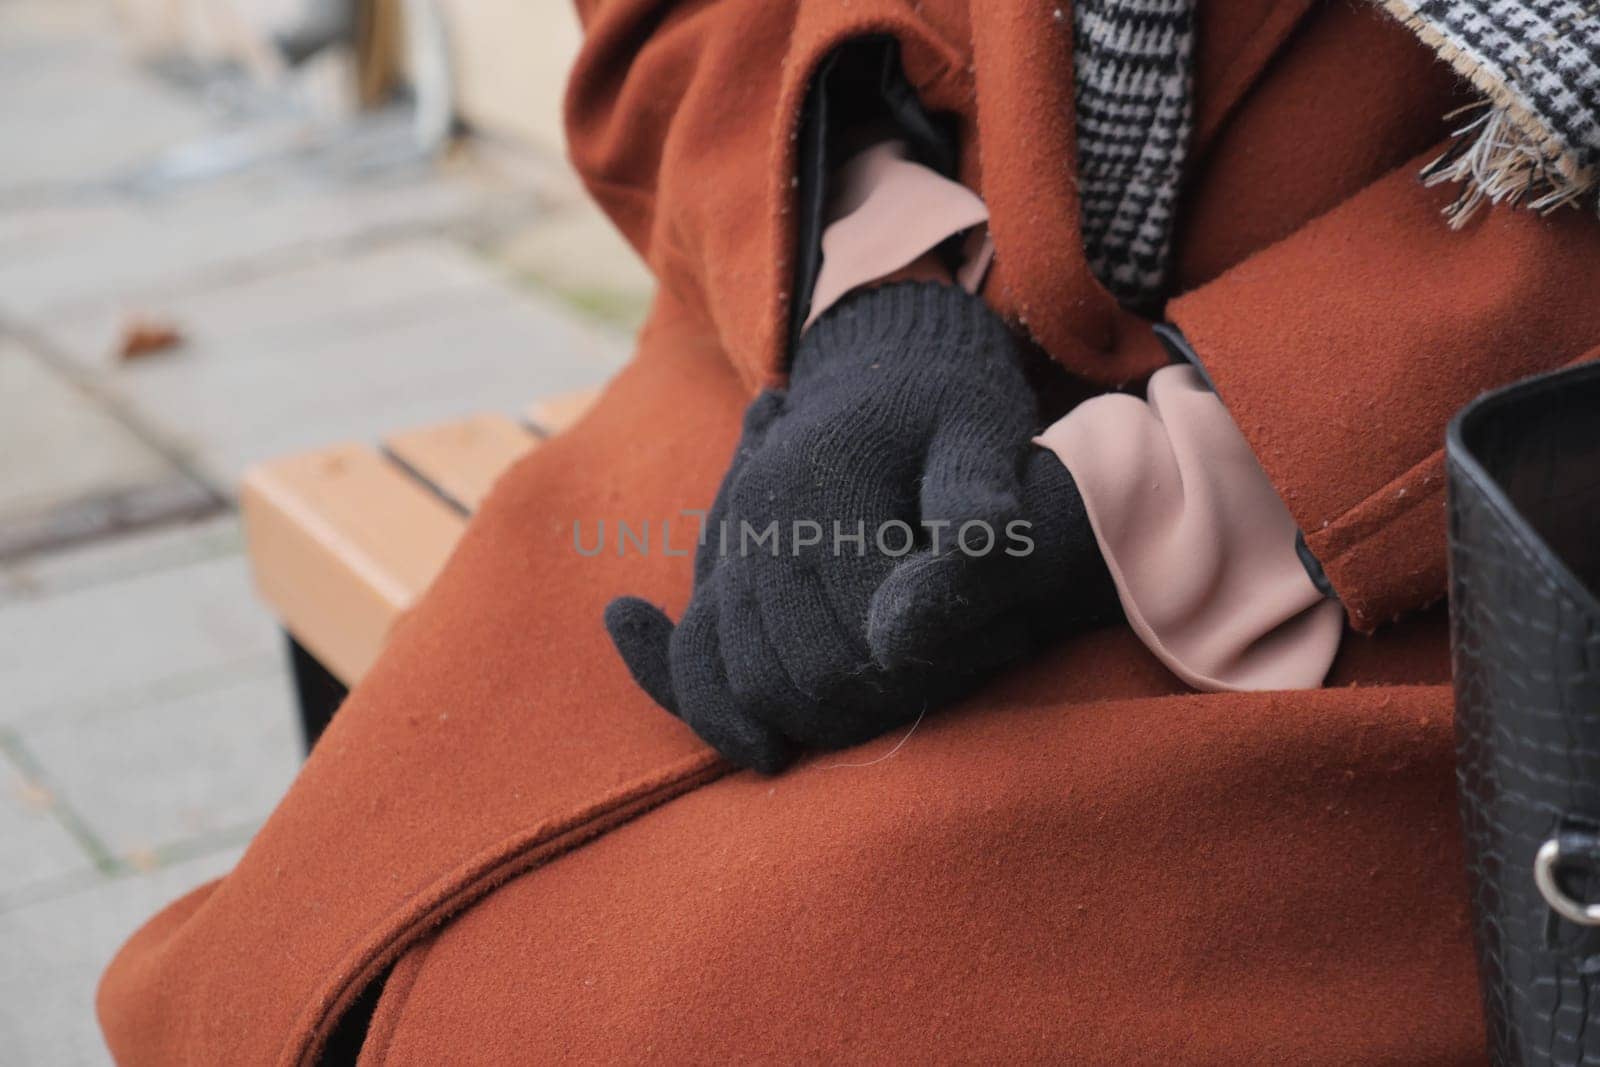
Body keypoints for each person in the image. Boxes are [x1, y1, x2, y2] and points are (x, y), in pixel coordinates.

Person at [98, 1, 1600, 1062]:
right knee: (300, 973)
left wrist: (1175, 480)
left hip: (1457, 519)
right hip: (805, 335)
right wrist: (873, 279)